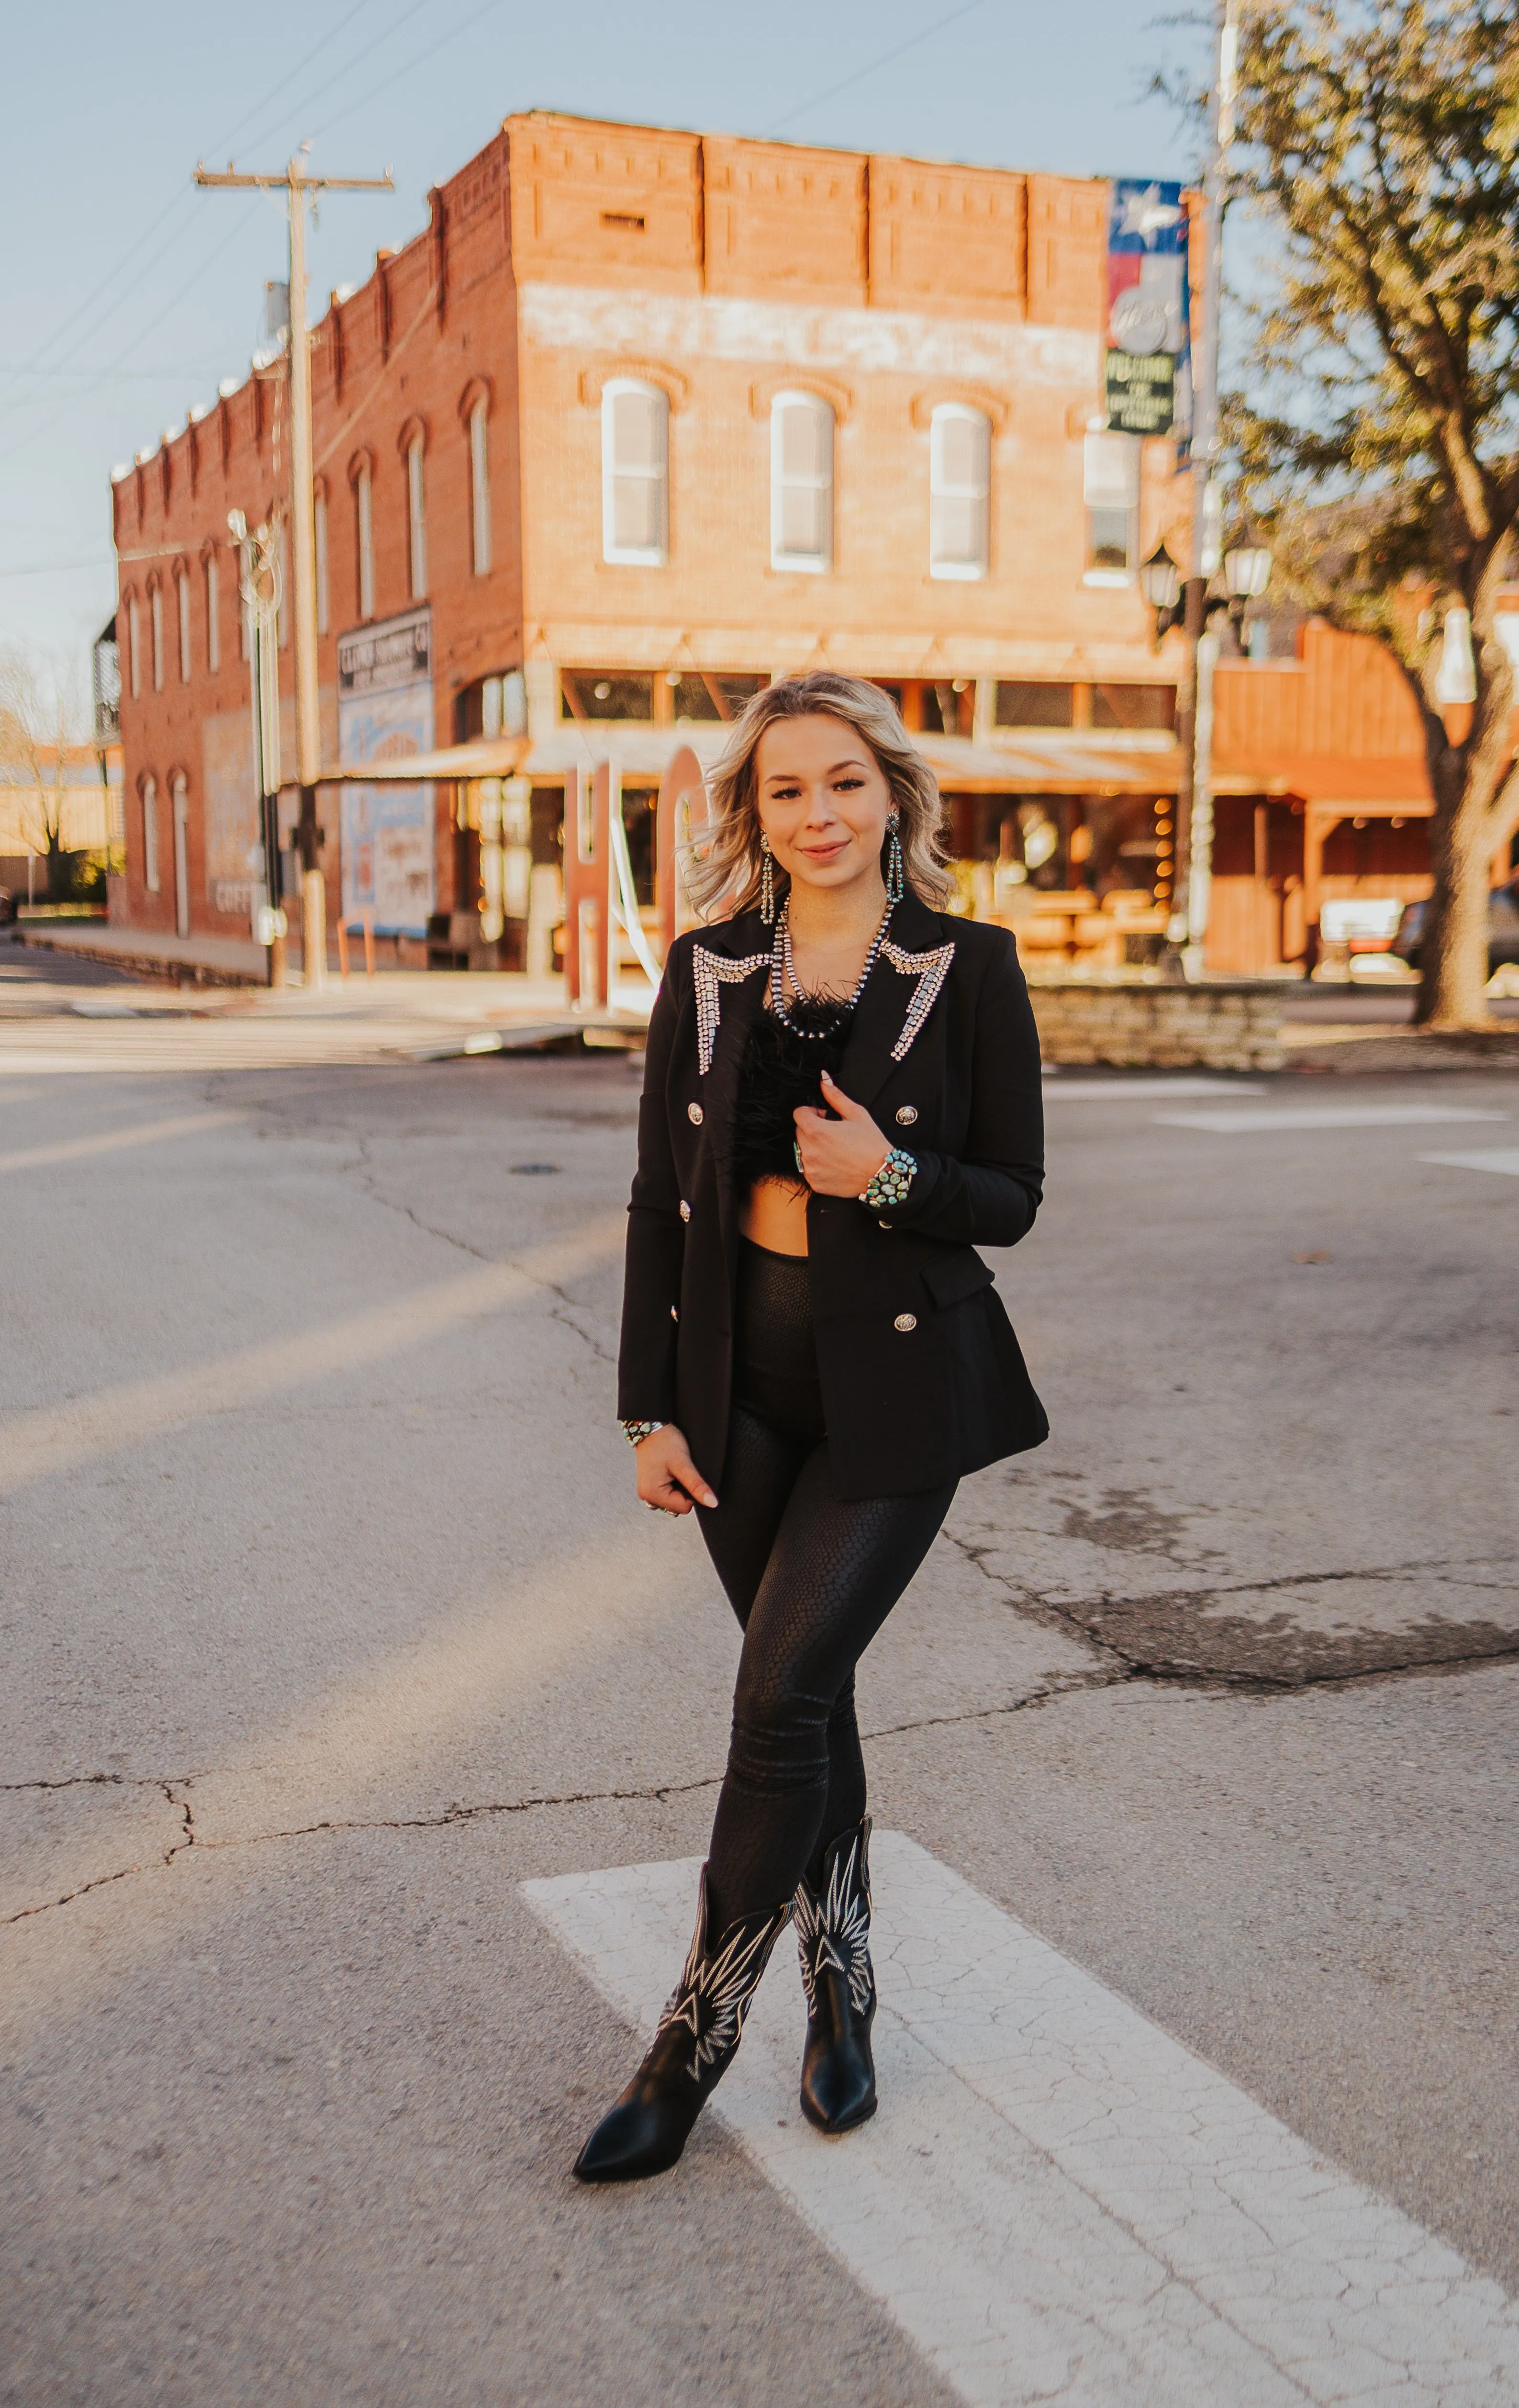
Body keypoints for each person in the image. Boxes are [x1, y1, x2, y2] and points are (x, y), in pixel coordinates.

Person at [573, 671, 1047, 2184]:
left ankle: (689, 2042)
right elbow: (659, 1198)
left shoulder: (966, 967)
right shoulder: (706, 970)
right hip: (737, 1401)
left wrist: (888, 1178)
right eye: (788, 789)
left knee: (777, 1695)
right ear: (754, 813)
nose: (821, 813)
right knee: (811, 1697)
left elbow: (1014, 1199)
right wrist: (648, 1407)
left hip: (895, 1403)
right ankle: (843, 1981)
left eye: (846, 781)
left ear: (892, 793)